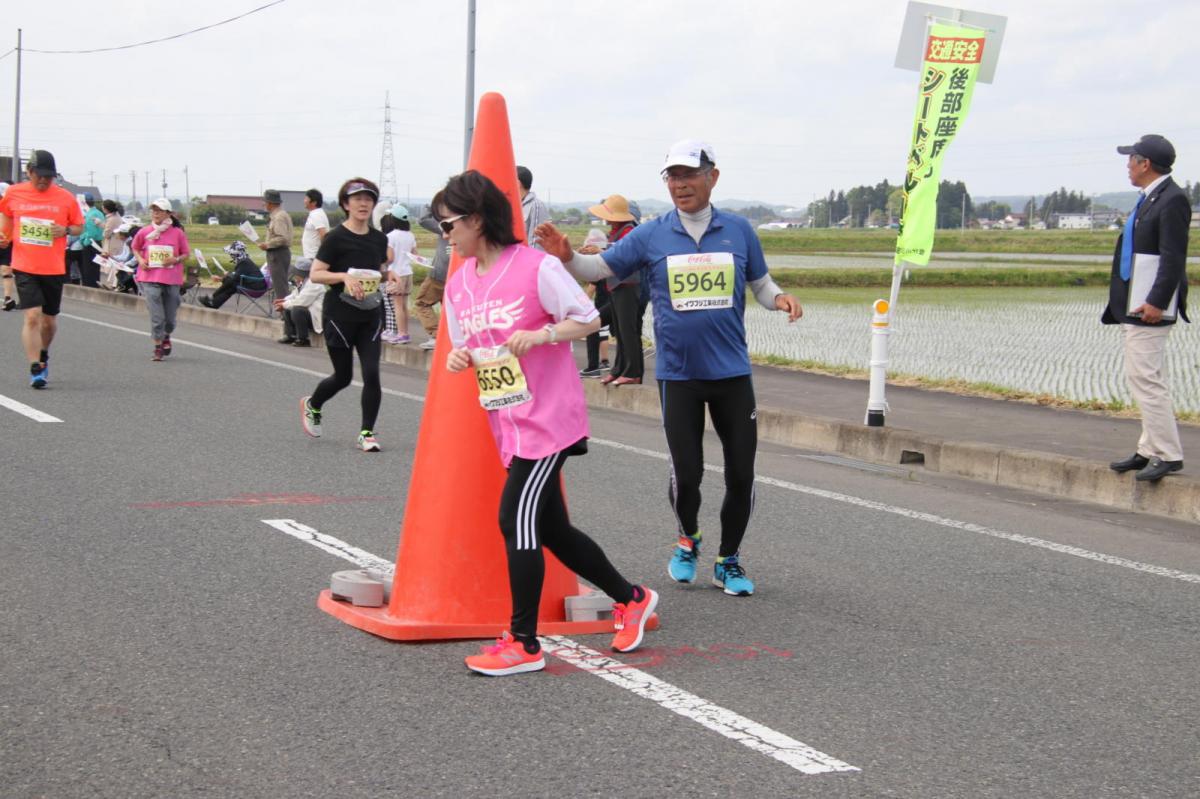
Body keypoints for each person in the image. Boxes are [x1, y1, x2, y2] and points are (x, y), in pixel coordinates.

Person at [536, 139, 802, 597]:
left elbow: (759, 283)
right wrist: (567, 257)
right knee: (688, 474)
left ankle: (728, 561)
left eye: (689, 174)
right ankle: (688, 538)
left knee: (741, 473)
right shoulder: (651, 234)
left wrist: (779, 299)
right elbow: (598, 268)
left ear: (712, 177)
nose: (680, 184)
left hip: (732, 374)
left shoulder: (739, 230)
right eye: (672, 176)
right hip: (679, 375)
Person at [435, 170, 658, 676]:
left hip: (548, 418)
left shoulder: (535, 267)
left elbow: (590, 318)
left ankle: (524, 643)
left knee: (514, 517)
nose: (444, 236)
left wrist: (544, 335)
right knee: (552, 528)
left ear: (476, 220)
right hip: (507, 421)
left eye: (448, 225)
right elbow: (465, 344)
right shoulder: (459, 283)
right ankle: (632, 598)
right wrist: (459, 357)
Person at [1103, 134, 1191, 482]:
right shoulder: (1151, 197)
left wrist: (1156, 301)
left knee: (1147, 380)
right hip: (1135, 301)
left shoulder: (1172, 200)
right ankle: (1147, 448)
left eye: (1131, 159)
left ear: (1146, 164)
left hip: (1149, 305)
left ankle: (1168, 454)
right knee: (1143, 378)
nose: (1127, 165)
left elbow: (1173, 258)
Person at [300, 178, 390, 453]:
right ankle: (313, 404)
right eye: (357, 199)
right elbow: (316, 273)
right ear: (345, 204)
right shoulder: (336, 238)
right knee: (343, 377)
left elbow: (376, 272)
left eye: (368, 199)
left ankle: (367, 433)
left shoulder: (379, 239)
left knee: (372, 373)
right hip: (340, 315)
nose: (363, 204)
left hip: (371, 314)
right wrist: (343, 277)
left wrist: (391, 276)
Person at [0, 150, 85, 388]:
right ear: (29, 172)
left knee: (48, 321)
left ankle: (44, 354)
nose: (44, 181)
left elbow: (79, 227)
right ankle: (35, 367)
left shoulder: (65, 198)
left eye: (49, 177)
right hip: (24, 265)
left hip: (53, 267)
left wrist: (65, 230)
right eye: (39, 175)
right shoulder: (14, 193)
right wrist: (4, 235)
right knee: (32, 316)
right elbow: (6, 216)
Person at [587, 194, 643, 385]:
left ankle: (633, 372)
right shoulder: (617, 231)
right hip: (616, 287)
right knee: (619, 330)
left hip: (628, 287)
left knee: (628, 331)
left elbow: (624, 257)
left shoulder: (629, 232)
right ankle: (618, 370)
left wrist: (600, 252)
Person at [131, 198, 191, 361]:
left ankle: (166, 336)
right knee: (157, 317)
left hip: (171, 278)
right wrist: (141, 260)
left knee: (170, 319)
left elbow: (186, 253)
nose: (155, 213)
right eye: (153, 210)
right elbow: (135, 247)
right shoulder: (144, 231)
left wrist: (175, 259)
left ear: (168, 214)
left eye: (159, 210)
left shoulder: (177, 233)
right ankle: (157, 347)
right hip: (149, 277)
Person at [414, 203, 451, 349]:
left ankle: (437, 336)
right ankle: (450, 337)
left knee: (422, 303)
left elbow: (423, 219)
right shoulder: (467, 224)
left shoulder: (445, 225)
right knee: (449, 308)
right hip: (458, 275)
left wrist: (430, 206)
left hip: (439, 274)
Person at [380, 205, 416, 344]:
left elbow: (390, 258)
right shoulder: (410, 235)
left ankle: (401, 334)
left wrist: (381, 263)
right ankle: (405, 332)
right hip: (408, 272)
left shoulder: (391, 236)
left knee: (397, 306)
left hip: (396, 274)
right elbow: (415, 254)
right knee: (404, 306)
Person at [199, 241, 268, 309]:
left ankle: (212, 298)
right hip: (258, 287)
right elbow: (237, 276)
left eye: (231, 254)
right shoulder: (245, 261)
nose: (230, 256)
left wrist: (222, 278)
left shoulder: (243, 262)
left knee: (230, 282)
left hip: (256, 289)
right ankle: (214, 303)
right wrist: (225, 276)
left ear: (235, 254)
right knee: (231, 285)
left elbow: (234, 278)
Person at [275, 258, 324, 347]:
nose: (295, 275)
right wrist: (284, 301)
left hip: (317, 318)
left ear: (302, 273)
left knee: (297, 310)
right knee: (288, 308)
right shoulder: (303, 282)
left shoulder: (315, 284)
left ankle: (303, 338)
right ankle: (290, 335)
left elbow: (301, 301)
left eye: (296, 273)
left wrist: (284, 304)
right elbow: (294, 295)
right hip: (308, 314)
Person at [259, 188, 293, 303]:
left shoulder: (279, 217)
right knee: (281, 285)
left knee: (280, 287)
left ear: (270, 203)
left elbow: (282, 238)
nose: (264, 204)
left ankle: (285, 311)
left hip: (278, 254)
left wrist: (267, 244)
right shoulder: (281, 214)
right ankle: (285, 310)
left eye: (265, 202)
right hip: (279, 253)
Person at [516, 165, 550, 250]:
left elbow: (536, 242)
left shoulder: (536, 206)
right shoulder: (515, 206)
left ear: (518, 183)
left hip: (527, 257)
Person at [78, 193, 106, 288]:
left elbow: (91, 232)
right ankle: (95, 285)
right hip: (98, 243)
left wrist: (84, 242)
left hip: (90, 244)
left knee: (88, 269)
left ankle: (89, 287)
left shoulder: (89, 214)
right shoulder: (99, 213)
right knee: (95, 268)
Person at [300, 188, 329, 260]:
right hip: (311, 256)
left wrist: (322, 255)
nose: (304, 201)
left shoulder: (317, 215)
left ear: (314, 202)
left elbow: (323, 235)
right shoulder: (315, 213)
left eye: (306, 199)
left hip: (314, 256)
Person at [0, 182, 13, 311]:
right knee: (5, 270)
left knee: (6, 270)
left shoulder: (12, 208)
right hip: (6, 241)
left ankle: (8, 298)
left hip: (7, 242)